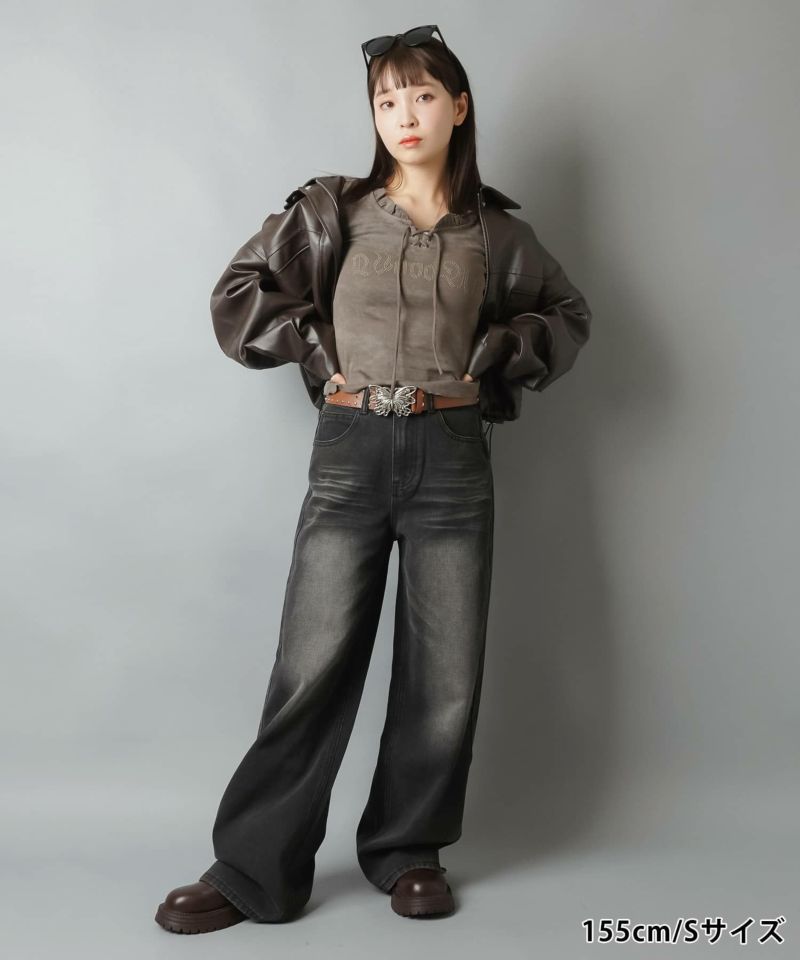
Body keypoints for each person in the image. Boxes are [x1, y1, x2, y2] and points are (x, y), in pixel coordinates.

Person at [155, 24, 592, 933]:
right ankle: (254, 871)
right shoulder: (333, 211)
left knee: (445, 672)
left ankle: (408, 851)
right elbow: (239, 292)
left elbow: (565, 314)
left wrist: (504, 351)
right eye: (386, 100)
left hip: (452, 455)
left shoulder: (495, 233)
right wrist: (317, 354)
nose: (403, 115)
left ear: (458, 107)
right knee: (311, 664)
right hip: (351, 450)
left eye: (422, 95)